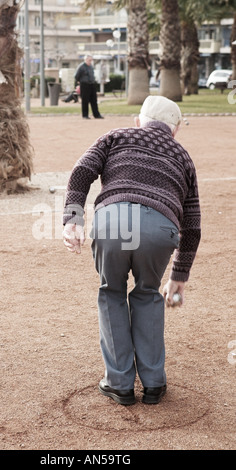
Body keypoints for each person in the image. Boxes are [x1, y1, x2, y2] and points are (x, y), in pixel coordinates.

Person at [62, 95, 201, 406]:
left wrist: (73, 219)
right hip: (161, 228)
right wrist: (179, 275)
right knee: (148, 293)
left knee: (111, 291)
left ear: (139, 121)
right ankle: (153, 384)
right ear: (174, 130)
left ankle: (119, 383)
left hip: (113, 221)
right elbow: (192, 224)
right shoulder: (182, 155)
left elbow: (81, 171)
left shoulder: (116, 135)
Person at [75, 55, 104, 120]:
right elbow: (76, 76)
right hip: (85, 85)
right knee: (85, 100)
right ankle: (85, 115)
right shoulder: (81, 67)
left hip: (92, 84)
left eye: (91, 60)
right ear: (86, 60)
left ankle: (96, 114)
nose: (90, 61)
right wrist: (80, 81)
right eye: (89, 60)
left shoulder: (91, 66)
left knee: (94, 100)